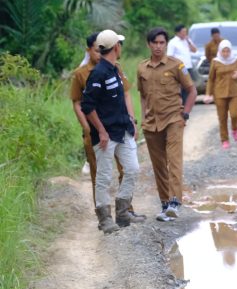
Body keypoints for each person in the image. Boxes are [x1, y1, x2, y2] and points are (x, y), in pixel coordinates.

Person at [70, 32, 144, 226]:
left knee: (133, 169)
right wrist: (101, 131)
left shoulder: (115, 69)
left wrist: (131, 121)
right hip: (105, 135)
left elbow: (122, 98)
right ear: (116, 47)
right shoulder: (99, 73)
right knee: (104, 175)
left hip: (123, 130)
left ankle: (123, 211)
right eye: (120, 44)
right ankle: (105, 218)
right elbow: (87, 105)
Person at [138, 27, 197, 222]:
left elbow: (191, 90)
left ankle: (174, 202)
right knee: (158, 165)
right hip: (152, 123)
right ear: (149, 44)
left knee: (174, 160)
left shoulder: (176, 65)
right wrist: (143, 117)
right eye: (154, 43)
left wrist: (185, 115)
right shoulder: (142, 68)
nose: (158, 46)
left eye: (162, 42)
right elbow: (143, 95)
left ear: (166, 44)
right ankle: (164, 204)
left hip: (173, 119)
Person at [203, 39, 237, 149]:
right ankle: (224, 139)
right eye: (223, 51)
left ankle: (234, 129)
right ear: (220, 51)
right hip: (219, 93)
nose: (225, 54)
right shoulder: (215, 61)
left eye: (228, 51)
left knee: (235, 114)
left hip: (234, 92)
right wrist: (208, 94)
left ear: (231, 51)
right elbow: (211, 79)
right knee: (222, 118)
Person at [167, 24, 198, 104]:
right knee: (182, 86)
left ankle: (187, 103)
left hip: (188, 67)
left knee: (189, 86)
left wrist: (188, 41)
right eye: (183, 32)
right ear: (178, 33)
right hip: (180, 68)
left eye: (186, 31)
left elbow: (194, 50)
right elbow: (169, 56)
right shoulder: (173, 42)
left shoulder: (187, 40)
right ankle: (181, 103)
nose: (185, 33)